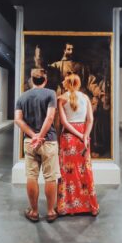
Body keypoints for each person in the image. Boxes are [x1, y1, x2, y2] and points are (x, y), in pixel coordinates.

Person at [15, 68, 60, 223]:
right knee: (50, 177)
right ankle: (50, 211)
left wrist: (33, 136)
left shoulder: (22, 97)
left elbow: (18, 120)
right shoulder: (51, 94)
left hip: (30, 142)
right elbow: (50, 118)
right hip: (48, 141)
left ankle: (34, 212)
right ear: (45, 80)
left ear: (32, 80)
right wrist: (40, 136)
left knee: (31, 176)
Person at [57, 73, 99, 216]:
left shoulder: (62, 99)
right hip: (83, 134)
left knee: (67, 171)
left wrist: (79, 135)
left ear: (67, 84)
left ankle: (65, 207)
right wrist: (85, 135)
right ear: (78, 83)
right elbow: (91, 119)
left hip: (69, 137)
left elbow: (64, 123)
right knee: (84, 169)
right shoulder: (86, 98)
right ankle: (90, 206)